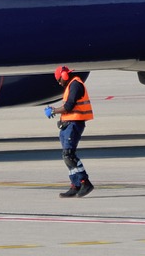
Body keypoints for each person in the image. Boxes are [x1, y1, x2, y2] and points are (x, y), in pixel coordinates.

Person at [45, 65, 94, 197]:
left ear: (64, 76)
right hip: (68, 125)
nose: (60, 83)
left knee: (69, 155)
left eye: (59, 80)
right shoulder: (70, 86)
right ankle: (75, 185)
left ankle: (85, 182)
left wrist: (54, 110)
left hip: (75, 124)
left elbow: (69, 106)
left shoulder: (75, 85)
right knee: (66, 156)